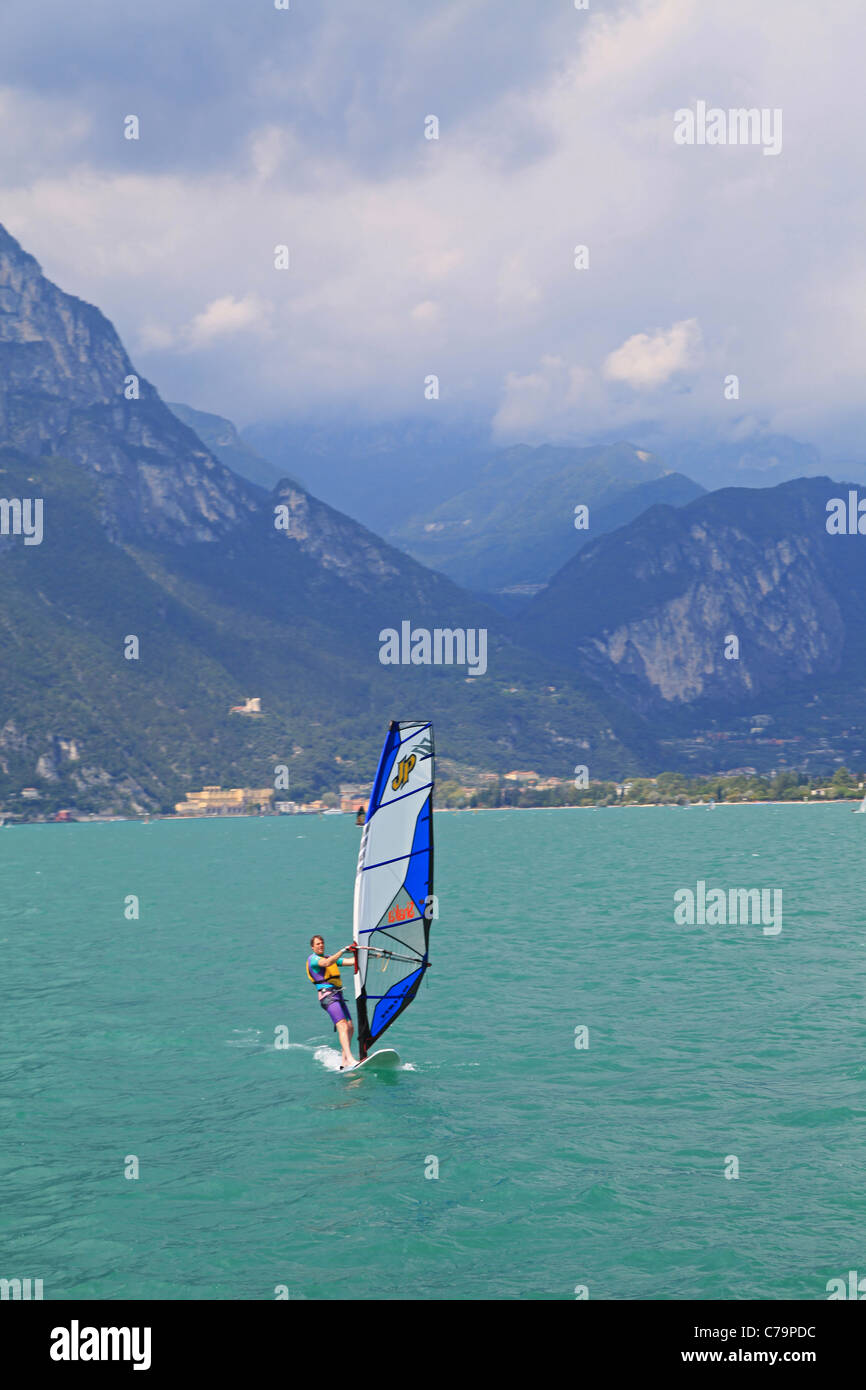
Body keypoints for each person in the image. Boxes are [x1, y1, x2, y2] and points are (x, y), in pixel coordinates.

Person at [307, 935, 357, 1068]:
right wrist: (343, 950)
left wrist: (367, 956)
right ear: (312, 947)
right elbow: (326, 964)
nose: (320, 945)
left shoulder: (330, 957)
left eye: (322, 943)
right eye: (317, 944)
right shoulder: (313, 959)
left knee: (350, 1027)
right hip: (327, 997)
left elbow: (350, 961)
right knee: (342, 1025)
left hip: (338, 996)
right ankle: (350, 1059)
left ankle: (345, 1061)